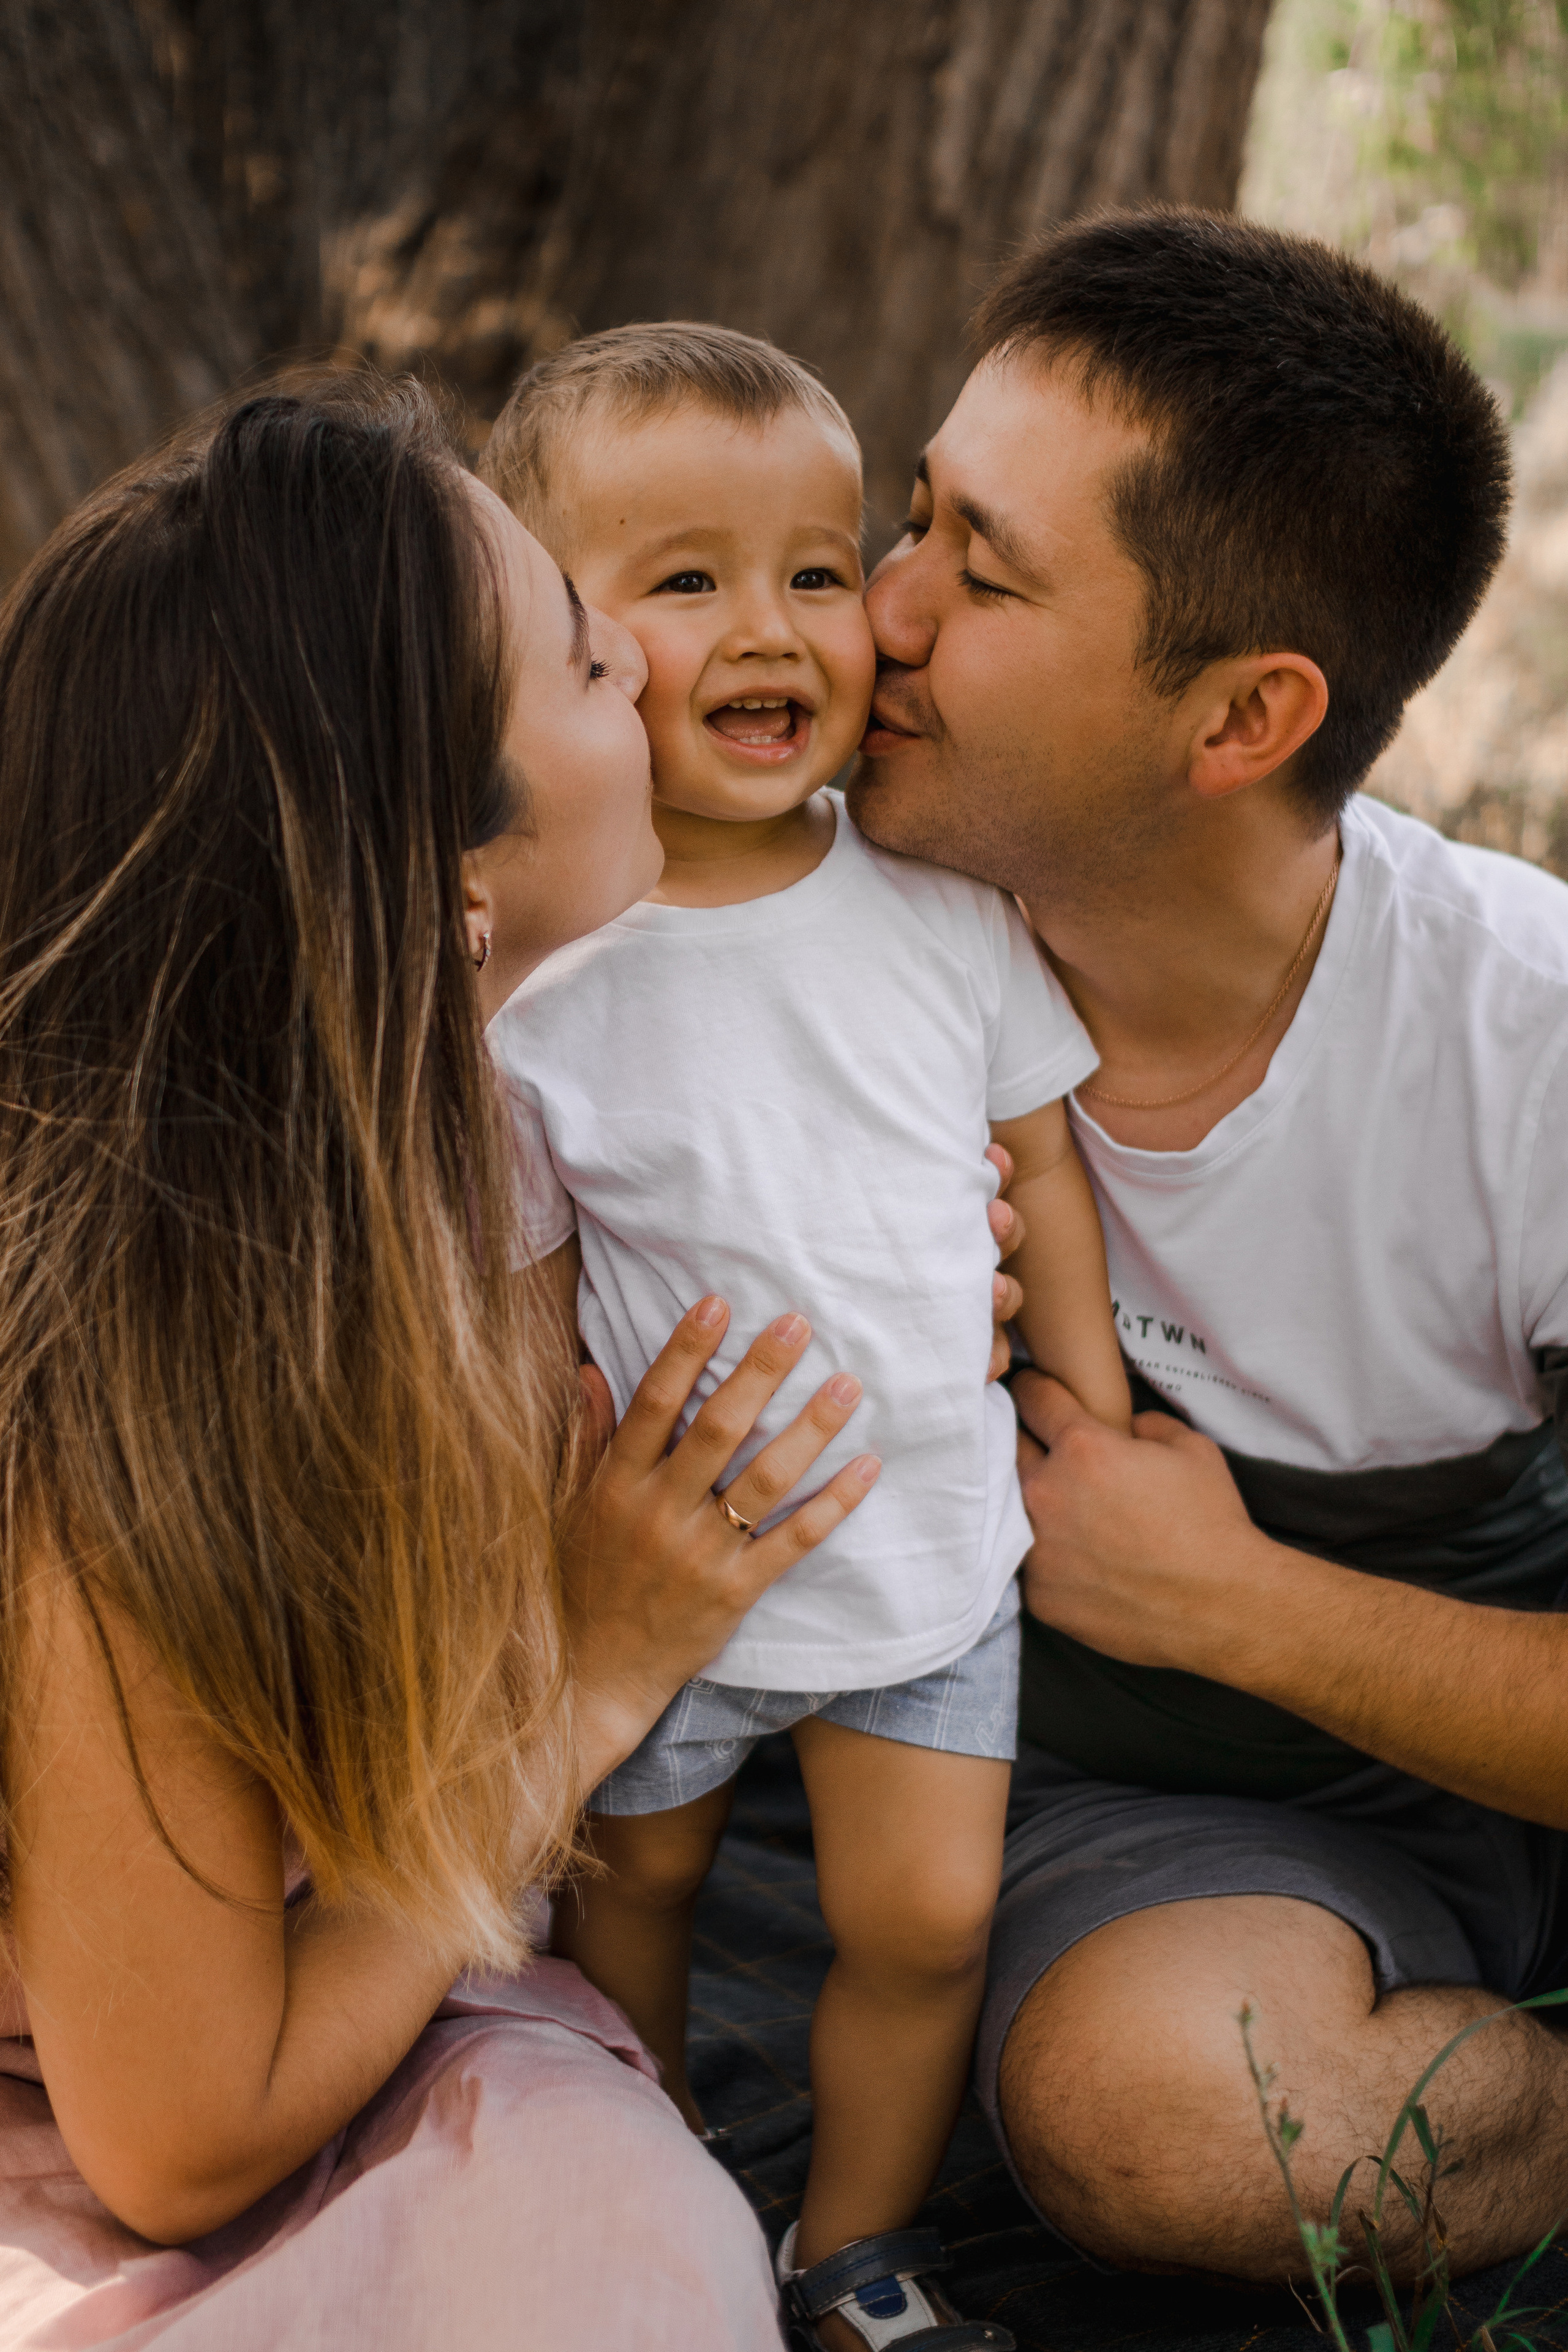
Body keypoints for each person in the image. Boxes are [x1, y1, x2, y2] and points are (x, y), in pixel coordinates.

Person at [0, 372, 891, 2350]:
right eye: (590, 657)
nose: (655, 683)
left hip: (378, 1974)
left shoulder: (469, 1144)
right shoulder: (132, 1405)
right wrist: (583, 1679)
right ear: (445, 877)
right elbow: (178, 2137)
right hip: (152, 2088)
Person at [849, 205, 1568, 2286]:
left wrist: (1233, 1604)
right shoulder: (798, 900)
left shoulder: (1518, 1049)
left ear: (1244, 719)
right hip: (1035, 1810)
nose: (878, 612)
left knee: (1186, 2126)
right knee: (1161, 2098)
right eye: (917, 517)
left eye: (981, 573)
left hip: (1392, 1796)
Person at [480, 323, 1130, 2350]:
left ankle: (848, 2253)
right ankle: (653, 2167)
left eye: (818, 570)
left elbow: (1042, 1170)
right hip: (657, 1577)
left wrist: (1083, 1409)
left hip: (925, 1552)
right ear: (556, 646)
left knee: (924, 1921)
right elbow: (513, 1294)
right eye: (684, 583)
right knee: (636, 1901)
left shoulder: (945, 910)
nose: (770, 627)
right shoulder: (553, 969)